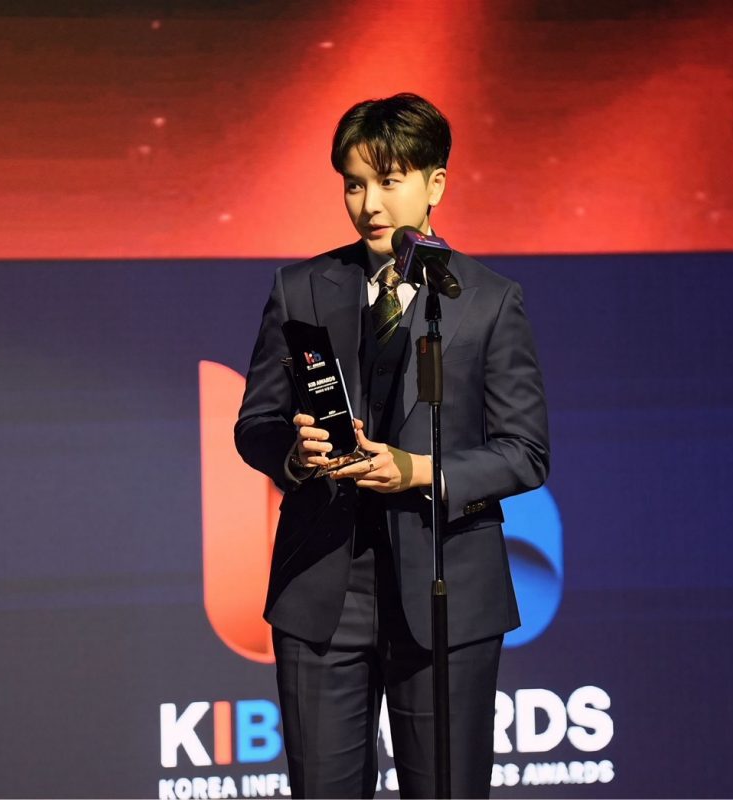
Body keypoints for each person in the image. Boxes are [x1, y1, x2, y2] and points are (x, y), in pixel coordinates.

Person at [234, 92, 549, 799]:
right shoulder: (300, 287)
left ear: (435, 184)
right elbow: (255, 423)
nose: (369, 204)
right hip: (324, 591)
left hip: (445, 589)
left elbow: (526, 451)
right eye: (354, 184)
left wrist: (419, 470)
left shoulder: (489, 300)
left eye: (389, 180)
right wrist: (294, 456)